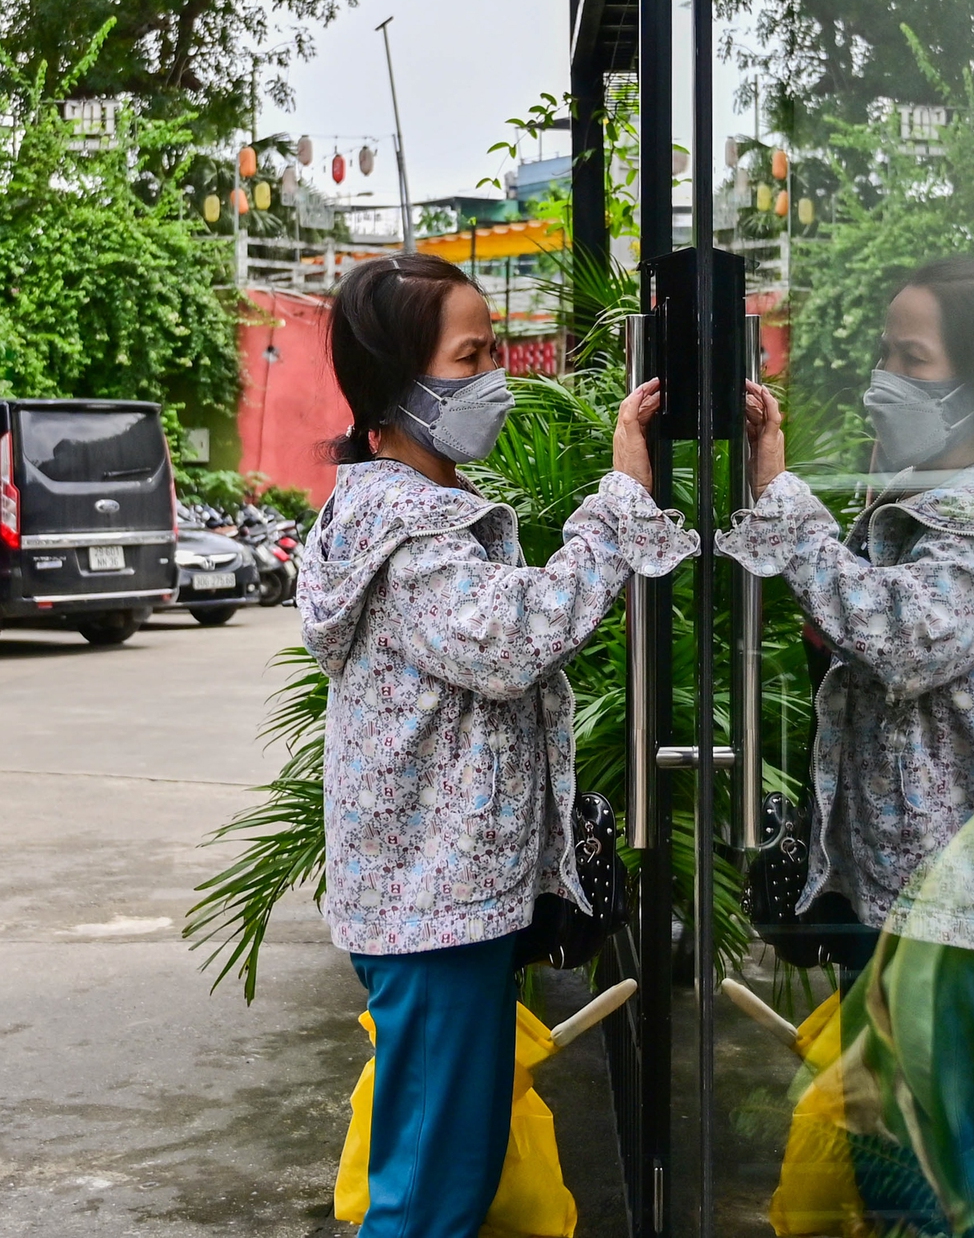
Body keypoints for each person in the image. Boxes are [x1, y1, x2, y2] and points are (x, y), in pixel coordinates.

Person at [298, 252, 696, 1238]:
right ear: (398, 384)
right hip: (430, 906)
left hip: (432, 898)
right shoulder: (410, 532)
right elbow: (508, 639)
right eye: (469, 357)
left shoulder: (401, 511)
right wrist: (616, 500)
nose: (493, 380)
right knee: (430, 1192)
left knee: (452, 1167)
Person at [721, 258, 974, 1238]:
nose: (882, 376)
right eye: (883, 350)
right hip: (901, 894)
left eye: (908, 358)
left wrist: (785, 503)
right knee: (886, 1155)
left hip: (948, 915)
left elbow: (897, 634)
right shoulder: (923, 507)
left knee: (945, 1175)